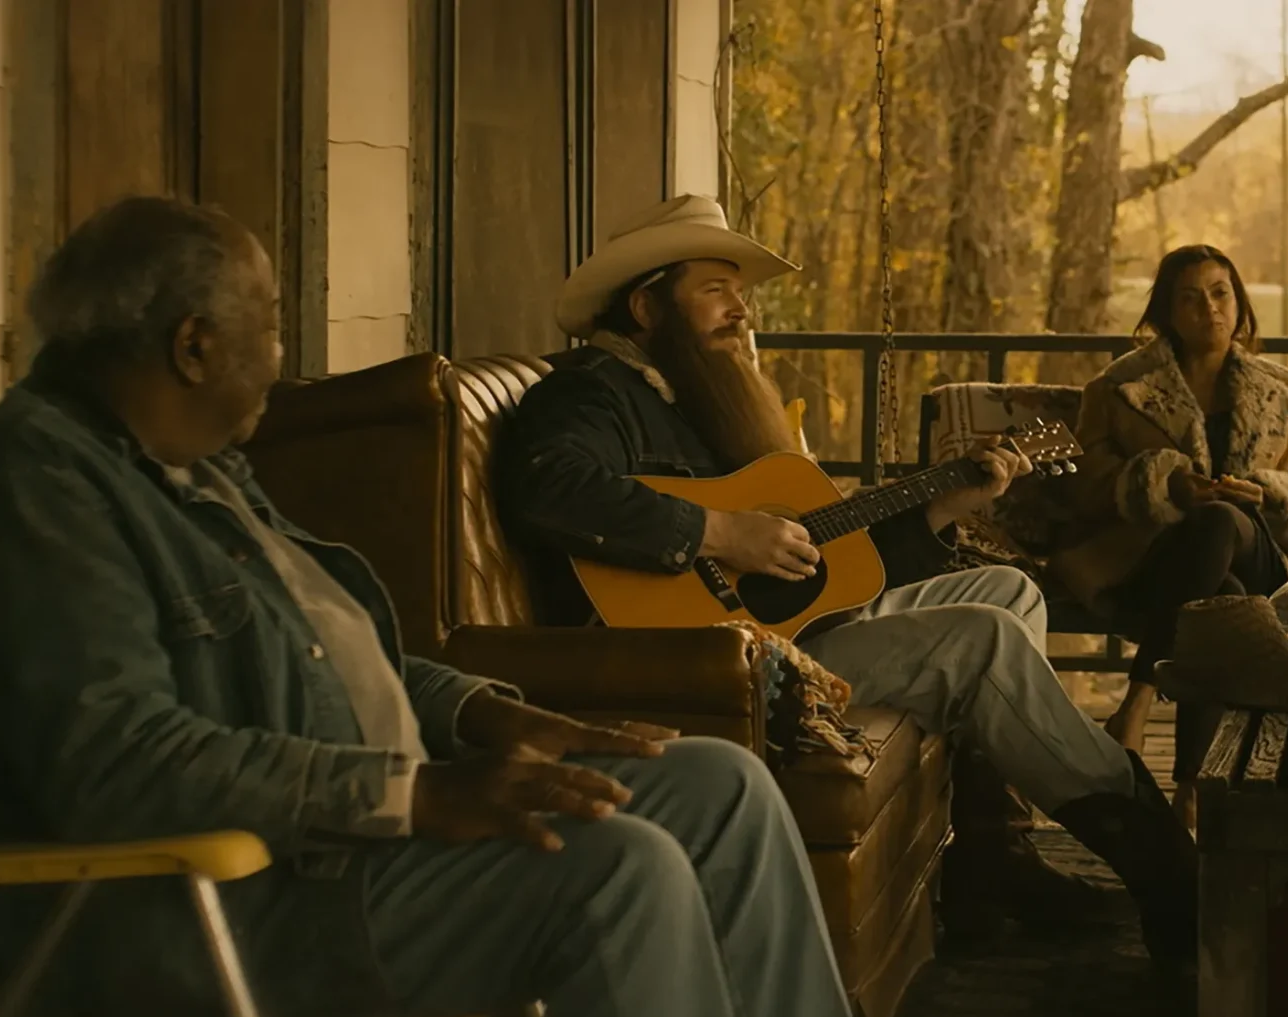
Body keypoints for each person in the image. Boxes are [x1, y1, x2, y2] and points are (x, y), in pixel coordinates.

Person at [0, 197, 868, 1017]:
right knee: (617, 867)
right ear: (194, 348)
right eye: (271, 328)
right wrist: (409, 793)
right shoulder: (33, 491)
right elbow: (119, 765)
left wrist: (487, 713)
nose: (281, 359)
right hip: (198, 908)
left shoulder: (195, 469)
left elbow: (327, 651)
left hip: (337, 852)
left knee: (718, 783)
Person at [496, 195, 1198, 962]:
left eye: (740, 292)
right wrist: (722, 529)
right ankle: (1166, 867)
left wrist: (947, 504)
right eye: (715, 290)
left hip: (785, 633)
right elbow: (549, 484)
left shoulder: (696, 395)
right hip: (712, 664)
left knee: (1008, 591)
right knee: (982, 640)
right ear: (645, 304)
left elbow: (819, 567)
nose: (740, 309)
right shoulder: (592, 390)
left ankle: (993, 853)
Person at [1055, 244, 1288, 807]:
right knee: (1218, 600)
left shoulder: (1282, 393)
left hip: (1259, 559)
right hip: (1152, 562)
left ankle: (1138, 700)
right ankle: (1190, 791)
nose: (1210, 308)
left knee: (1223, 521)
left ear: (1239, 301)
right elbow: (1085, 485)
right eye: (1191, 297)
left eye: (1220, 292)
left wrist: (1271, 495)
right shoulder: (1119, 388)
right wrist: (1162, 485)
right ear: (1167, 313)